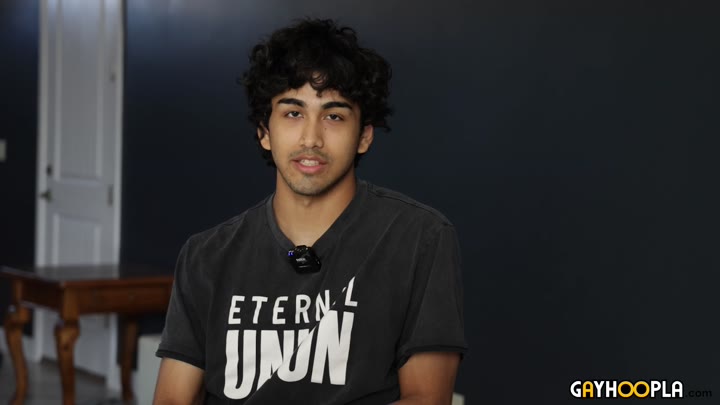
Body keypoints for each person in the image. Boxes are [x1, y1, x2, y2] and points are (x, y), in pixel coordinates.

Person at [153, 18, 466, 405]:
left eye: (334, 116)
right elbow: (171, 399)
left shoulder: (420, 238)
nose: (311, 138)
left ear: (364, 136)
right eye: (293, 113)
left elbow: (428, 399)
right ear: (264, 132)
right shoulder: (205, 256)